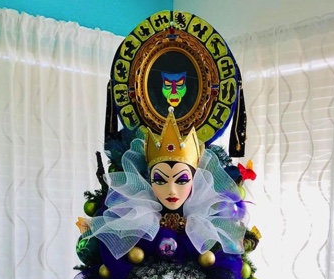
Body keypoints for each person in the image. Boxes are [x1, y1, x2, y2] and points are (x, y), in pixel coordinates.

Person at [78, 107, 246, 261]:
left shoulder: (208, 224)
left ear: (195, 180)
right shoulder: (135, 218)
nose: (171, 190)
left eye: (181, 180)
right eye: (160, 180)